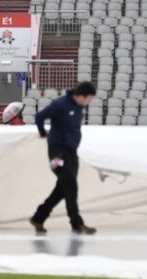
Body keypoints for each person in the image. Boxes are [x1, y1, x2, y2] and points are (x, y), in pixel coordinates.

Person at [30, 81, 97, 236]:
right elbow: (40, 116)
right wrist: (42, 133)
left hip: (72, 153)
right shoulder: (61, 104)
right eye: (89, 99)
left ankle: (38, 218)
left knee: (62, 189)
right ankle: (76, 224)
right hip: (57, 153)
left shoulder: (79, 107)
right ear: (82, 96)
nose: (89, 102)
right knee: (71, 186)